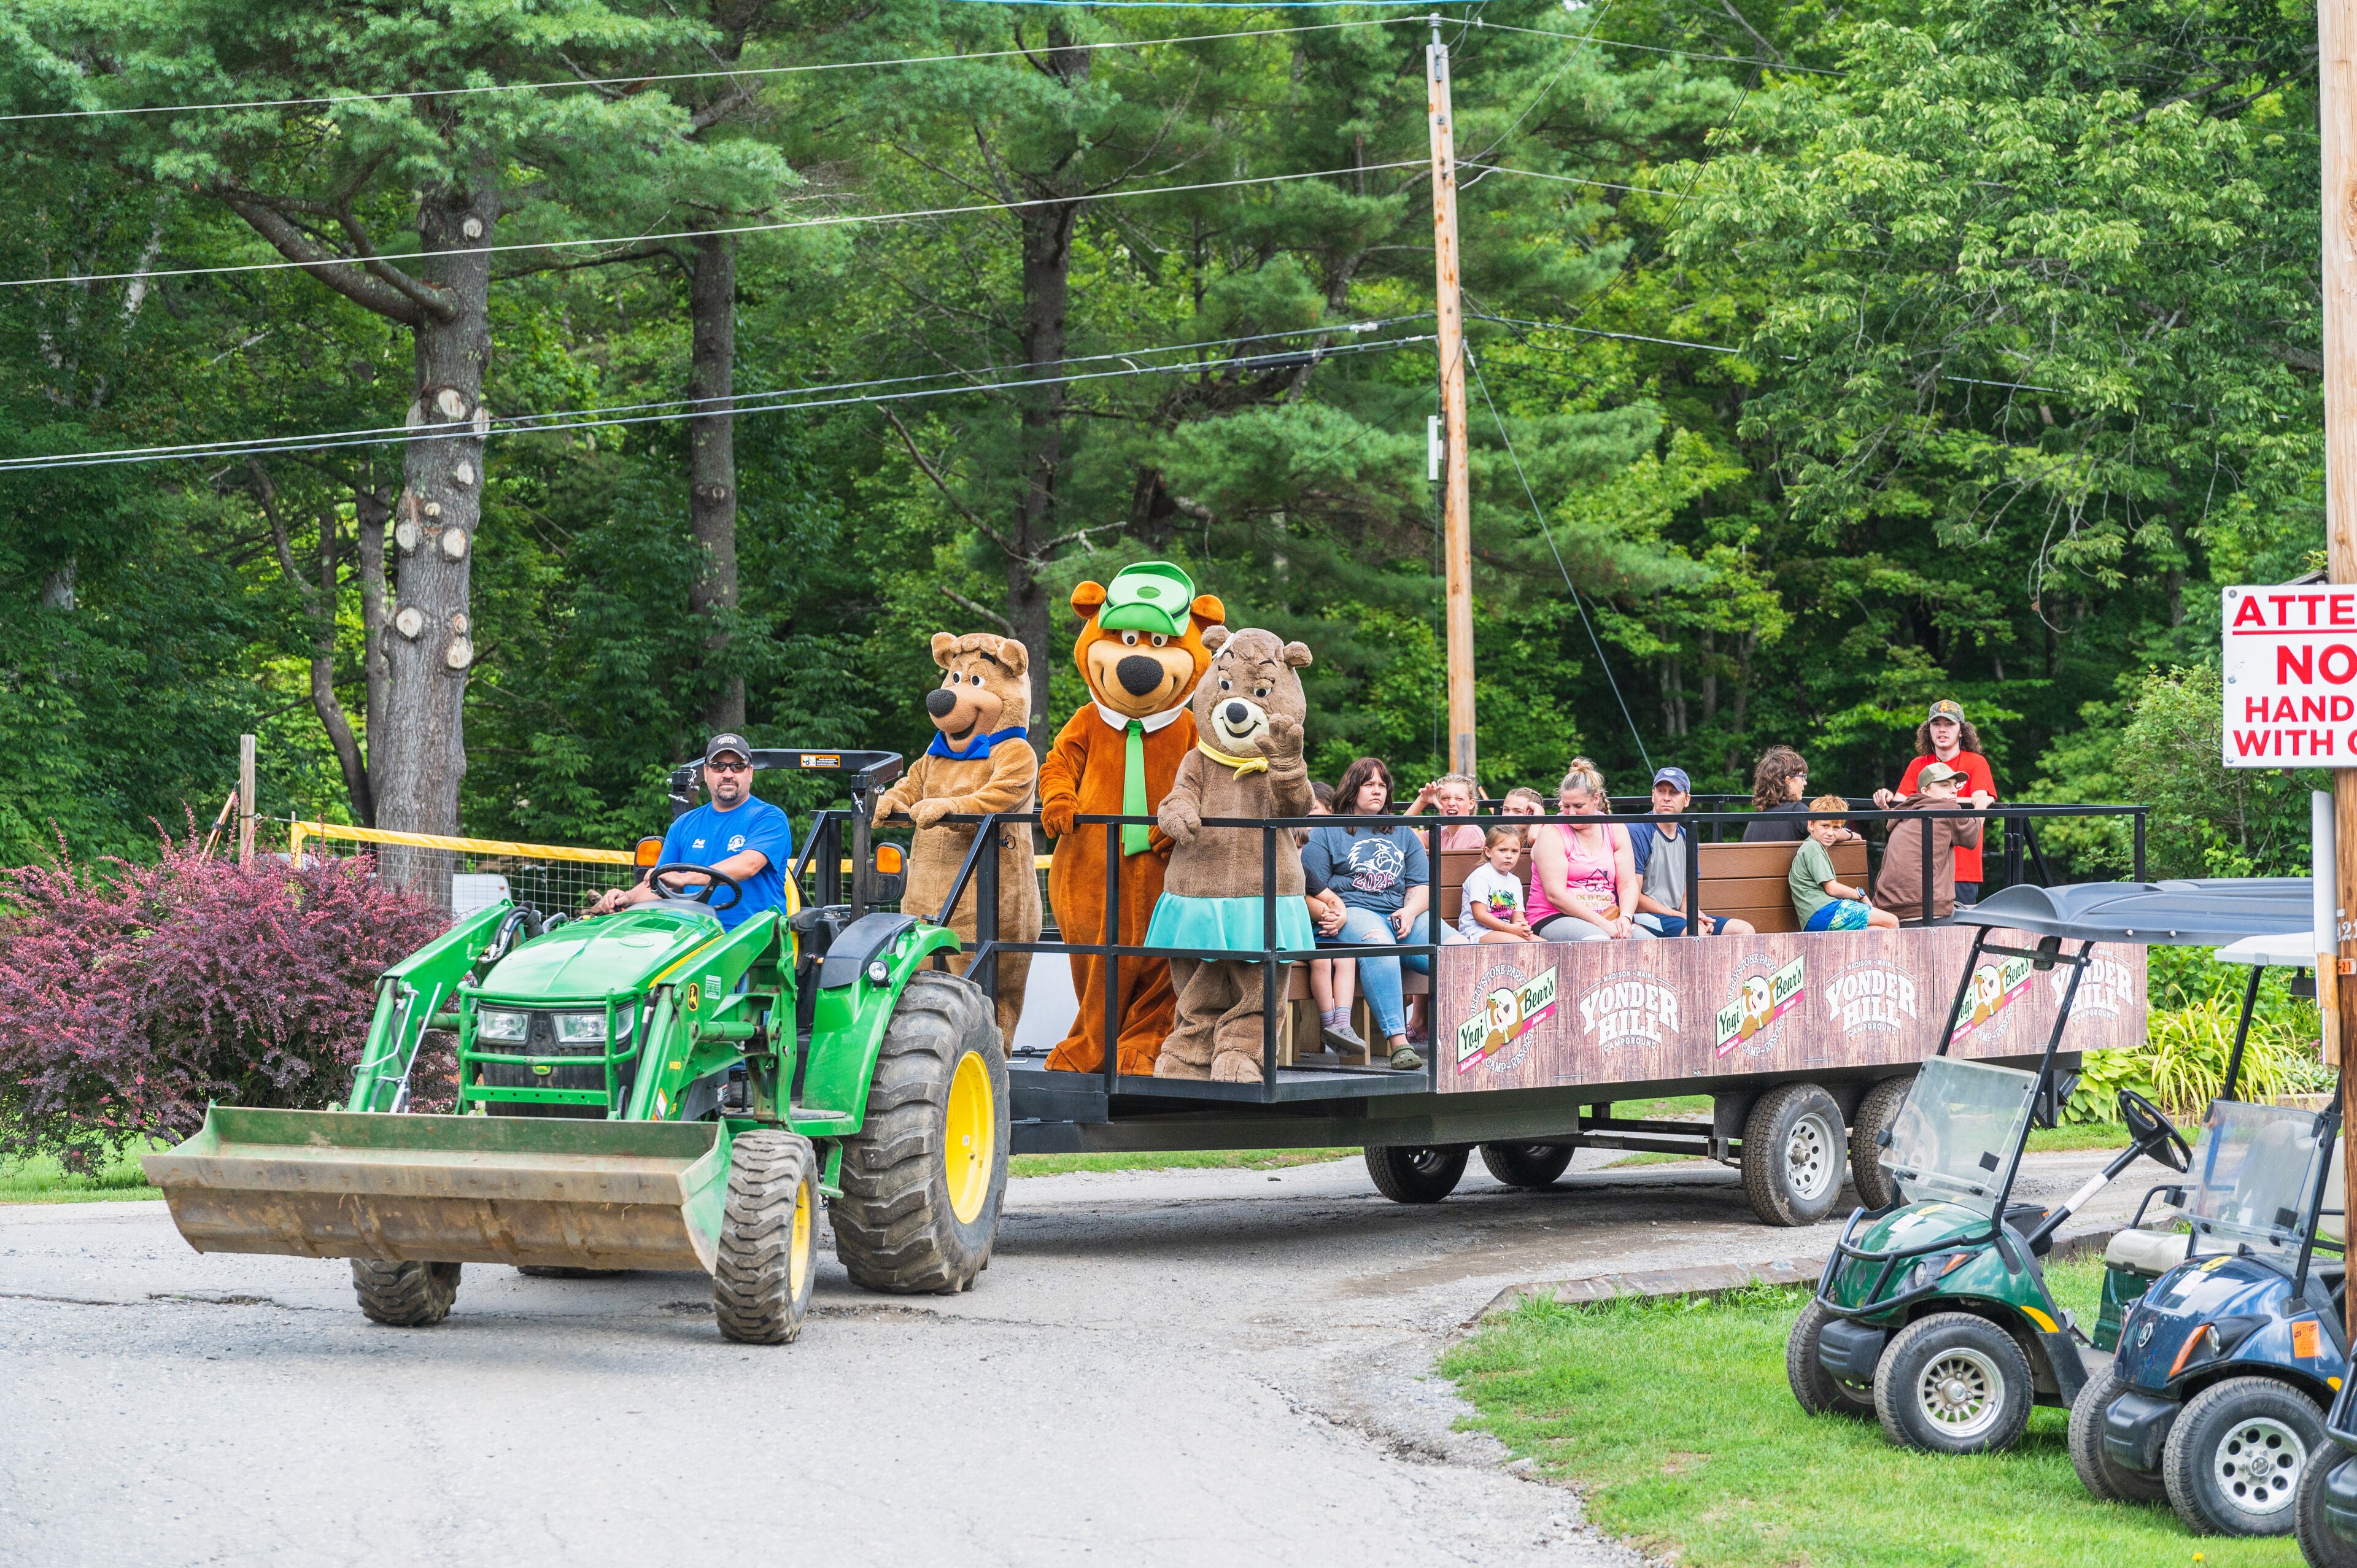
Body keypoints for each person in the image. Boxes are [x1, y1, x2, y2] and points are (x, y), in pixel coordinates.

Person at [1299, 757, 1429, 1070]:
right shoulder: (1326, 832)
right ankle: (1400, 1044)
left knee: (1456, 949)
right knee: (1379, 945)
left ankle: (1473, 1037)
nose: (1377, 791)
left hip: (1402, 913)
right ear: (1352, 788)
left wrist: (1411, 911)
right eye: (1369, 784)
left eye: (1383, 785)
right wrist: (1325, 914)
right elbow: (1308, 888)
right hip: (1353, 912)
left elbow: (1421, 886)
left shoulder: (1403, 834)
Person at [589, 734, 792, 931]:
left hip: (752, 943)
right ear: (706, 772)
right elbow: (661, 883)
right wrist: (628, 898)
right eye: (719, 766)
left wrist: (684, 878)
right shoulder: (684, 824)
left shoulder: (769, 818)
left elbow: (748, 865)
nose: (728, 774)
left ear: (751, 773)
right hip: (693, 936)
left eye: (737, 767)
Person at [1873, 699, 1998, 904]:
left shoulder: (1976, 762)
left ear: (1961, 731)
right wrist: (1887, 798)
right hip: (1920, 867)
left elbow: (1980, 803)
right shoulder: (1918, 764)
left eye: (1949, 724)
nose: (1942, 730)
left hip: (1962, 868)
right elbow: (1897, 811)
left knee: (1960, 931)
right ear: (1928, 730)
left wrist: (1929, 802)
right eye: (1936, 724)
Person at [1524, 759, 1651, 943]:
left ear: (1596, 799)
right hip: (1553, 916)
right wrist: (1602, 924)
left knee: (1649, 942)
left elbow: (1628, 884)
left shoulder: (1615, 828)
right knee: (1597, 940)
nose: (1571, 814)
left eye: (1578, 806)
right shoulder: (1552, 833)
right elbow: (1555, 895)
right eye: (1566, 806)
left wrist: (1625, 916)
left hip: (1609, 914)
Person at [1627, 766, 1754, 938]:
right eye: (1661, 791)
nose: (1666, 798)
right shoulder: (1637, 831)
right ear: (1653, 795)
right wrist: (1685, 918)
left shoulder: (1688, 836)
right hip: (1646, 917)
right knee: (1697, 933)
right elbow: (1635, 900)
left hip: (1679, 919)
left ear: (1686, 799)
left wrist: (1698, 916)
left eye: (1673, 792)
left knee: (1744, 930)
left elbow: (1686, 900)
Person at [1873, 762, 1987, 924]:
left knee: (1965, 908)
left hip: (1887, 909)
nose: (1954, 790)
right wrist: (1982, 804)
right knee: (1987, 922)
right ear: (1925, 791)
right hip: (1925, 910)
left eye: (1955, 785)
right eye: (1944, 785)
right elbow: (1972, 835)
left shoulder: (1906, 812)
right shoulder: (1945, 808)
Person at [1299, 783, 1357, 1049]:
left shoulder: (1306, 873)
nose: (1300, 854)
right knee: (1322, 963)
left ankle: (1342, 1025)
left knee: (1347, 958)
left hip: (1322, 930)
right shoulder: (1283, 868)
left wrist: (1339, 913)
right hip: (1299, 933)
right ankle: (1328, 1024)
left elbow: (1329, 897)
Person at [1790, 796, 1898, 931]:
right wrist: (1860, 895)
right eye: (1825, 826)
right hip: (1825, 913)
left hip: (1817, 917)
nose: (1830, 833)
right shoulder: (1814, 848)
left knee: (1878, 930)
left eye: (1836, 828)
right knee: (1892, 921)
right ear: (1811, 825)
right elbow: (1832, 888)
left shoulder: (1813, 846)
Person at [1460, 827, 1540, 944]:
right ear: (1488, 852)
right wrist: (1510, 929)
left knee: (1545, 945)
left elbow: (1518, 917)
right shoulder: (1481, 876)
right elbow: (1480, 915)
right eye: (1503, 850)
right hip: (1477, 932)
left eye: (1514, 851)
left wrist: (1522, 927)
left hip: (1505, 931)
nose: (1509, 856)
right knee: (1522, 945)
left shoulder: (1515, 881)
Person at [1407, 771, 1485, 852]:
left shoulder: (1470, 831)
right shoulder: (1440, 834)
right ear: (1438, 802)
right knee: (1411, 832)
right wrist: (1422, 800)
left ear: (1471, 804)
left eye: (1459, 799)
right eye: (1445, 798)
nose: (1451, 803)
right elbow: (1401, 833)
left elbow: (1453, 864)